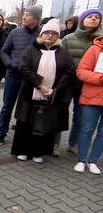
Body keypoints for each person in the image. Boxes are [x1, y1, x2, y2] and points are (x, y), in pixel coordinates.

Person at [11, 19, 74, 163]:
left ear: (58, 36)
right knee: (25, 122)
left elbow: (70, 71)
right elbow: (24, 68)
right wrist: (39, 85)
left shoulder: (63, 53)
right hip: (30, 92)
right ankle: (22, 150)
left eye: (53, 33)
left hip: (51, 95)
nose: (50, 36)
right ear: (41, 34)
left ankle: (39, 152)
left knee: (44, 123)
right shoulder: (31, 49)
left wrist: (55, 89)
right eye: (47, 33)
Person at [0, 5, 42, 146]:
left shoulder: (43, 34)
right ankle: (1, 133)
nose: (24, 17)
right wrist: (11, 64)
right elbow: (4, 52)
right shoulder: (15, 32)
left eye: (27, 14)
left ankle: (25, 136)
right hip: (13, 75)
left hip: (31, 78)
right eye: (24, 14)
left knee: (28, 107)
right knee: (7, 106)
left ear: (36, 18)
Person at [58, 9, 102, 155]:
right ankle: (55, 143)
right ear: (82, 20)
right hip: (68, 82)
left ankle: (73, 143)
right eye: (90, 16)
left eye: (97, 17)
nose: (94, 19)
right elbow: (58, 60)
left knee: (81, 116)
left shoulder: (100, 42)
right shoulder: (68, 39)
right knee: (60, 112)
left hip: (88, 85)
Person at [73, 35, 103, 174]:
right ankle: (82, 160)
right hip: (92, 98)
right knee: (87, 129)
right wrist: (101, 78)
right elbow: (81, 71)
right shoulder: (94, 50)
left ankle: (93, 161)